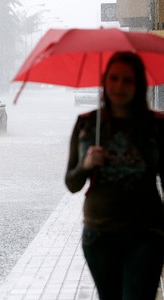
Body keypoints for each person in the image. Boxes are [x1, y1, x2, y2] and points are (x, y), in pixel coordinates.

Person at [65, 51, 164, 300]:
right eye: (114, 78)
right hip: (99, 235)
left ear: (138, 84)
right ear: (104, 81)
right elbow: (72, 183)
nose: (119, 86)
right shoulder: (87, 124)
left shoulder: (156, 125)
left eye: (128, 80)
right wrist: (87, 164)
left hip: (146, 233)